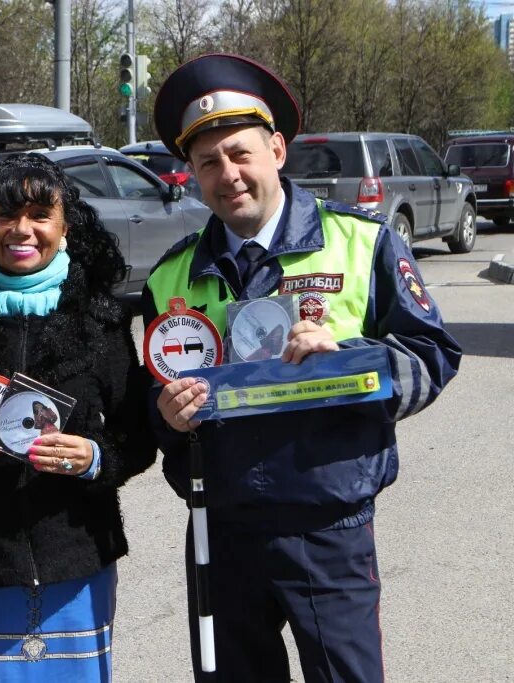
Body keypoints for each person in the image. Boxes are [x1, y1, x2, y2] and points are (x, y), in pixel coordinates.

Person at [142, 53, 461, 683]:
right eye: (208, 163)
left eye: (240, 153)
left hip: (328, 523)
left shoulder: (362, 242)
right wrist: (167, 420)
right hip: (220, 528)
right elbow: (156, 401)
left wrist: (347, 360)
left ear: (277, 151)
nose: (227, 174)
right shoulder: (169, 276)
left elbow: (432, 356)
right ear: (192, 175)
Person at [0, 153, 156, 681]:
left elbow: (138, 438)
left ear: (65, 226)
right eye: (6, 215)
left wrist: (93, 459)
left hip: (75, 559)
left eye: (41, 214)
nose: (22, 229)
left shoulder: (100, 319)